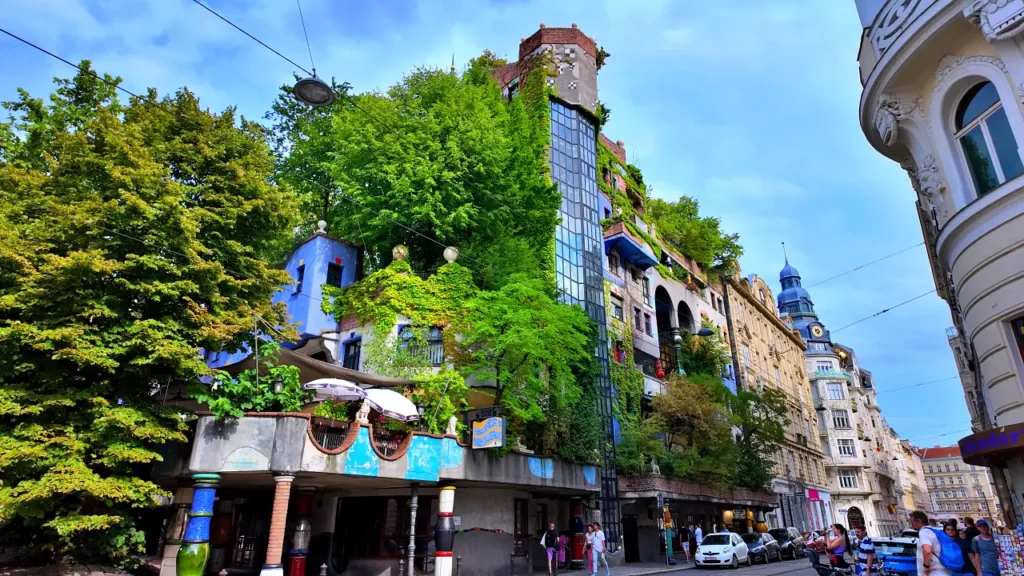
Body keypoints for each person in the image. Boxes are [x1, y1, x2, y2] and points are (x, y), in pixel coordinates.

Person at [910, 511, 951, 576]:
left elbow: (927, 550)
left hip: (934, 572)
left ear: (919, 521)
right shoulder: (933, 531)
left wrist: (926, 567)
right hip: (943, 570)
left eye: (912, 521)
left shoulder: (924, 532)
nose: (911, 524)